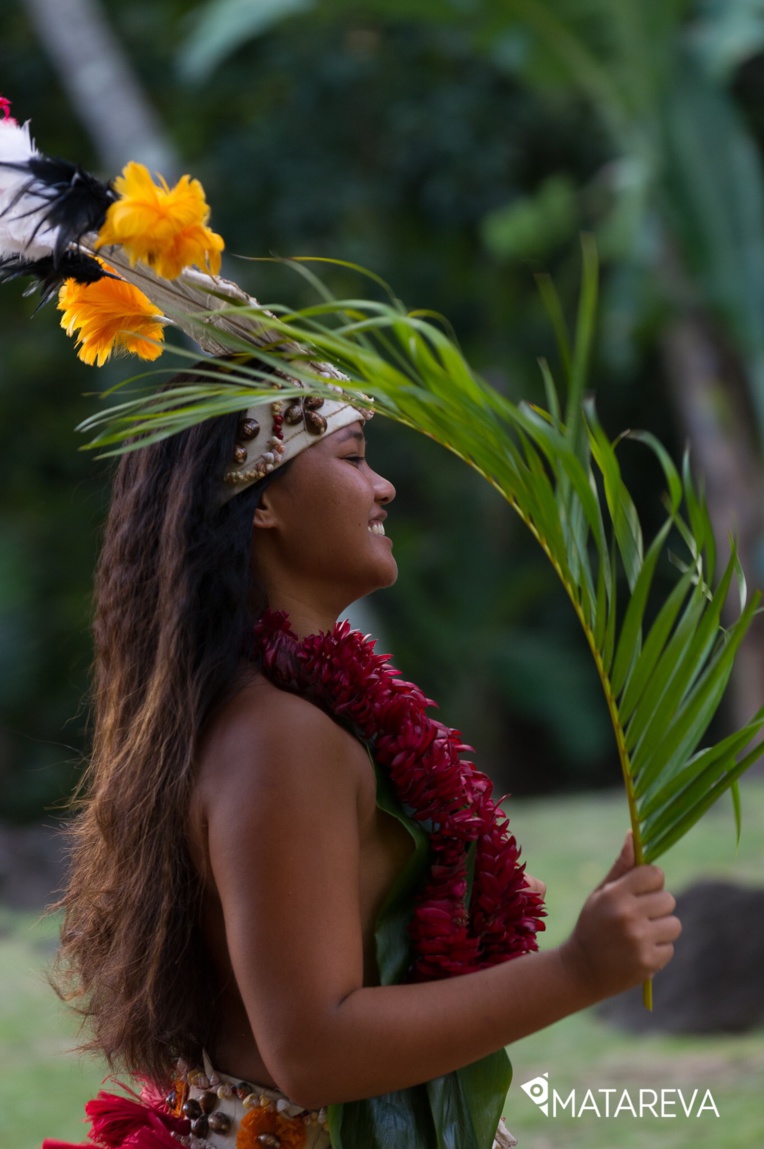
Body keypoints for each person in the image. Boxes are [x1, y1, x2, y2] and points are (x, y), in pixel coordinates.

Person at [44, 362, 682, 1149]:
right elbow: (312, 1048)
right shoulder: (281, 739)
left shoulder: (259, 716)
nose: (383, 488)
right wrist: (577, 969)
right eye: (352, 457)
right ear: (264, 499)